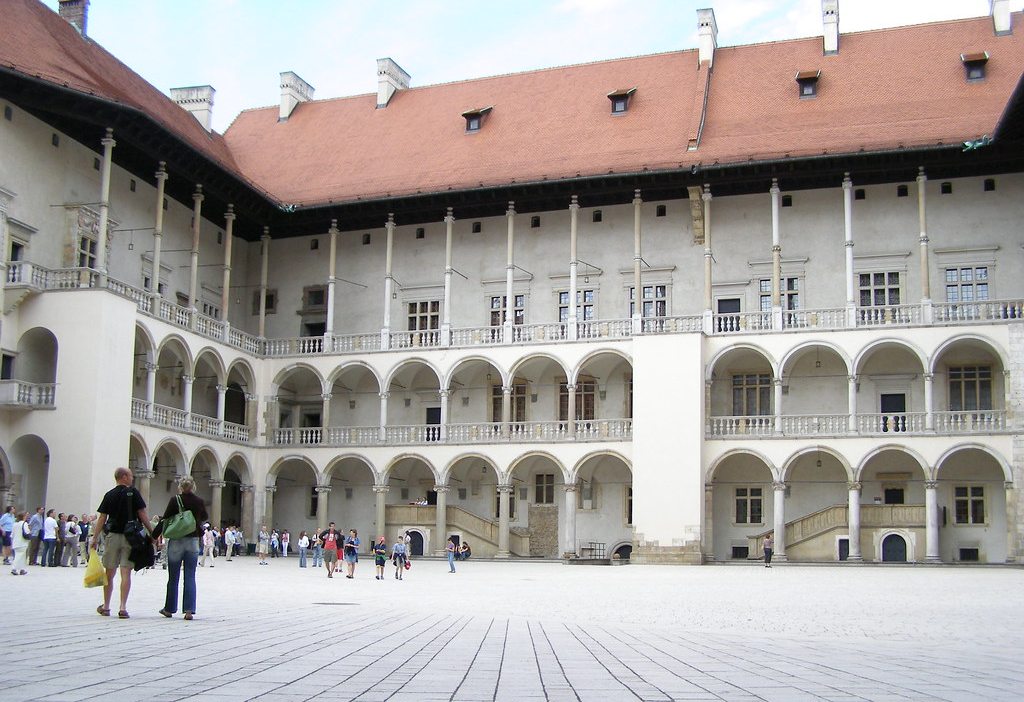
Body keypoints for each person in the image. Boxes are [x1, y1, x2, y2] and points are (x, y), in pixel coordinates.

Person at [90, 467, 153, 619]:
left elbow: (102, 518)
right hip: (130, 538)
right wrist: (152, 532)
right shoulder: (134, 493)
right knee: (126, 573)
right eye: (130, 476)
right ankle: (123, 607)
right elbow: (142, 514)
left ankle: (106, 606)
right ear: (124, 477)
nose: (132, 478)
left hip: (113, 536)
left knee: (109, 572)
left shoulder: (109, 495)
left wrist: (95, 537)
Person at [158, 477, 208, 620]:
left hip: (176, 540)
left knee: (173, 577)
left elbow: (165, 519)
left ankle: (169, 609)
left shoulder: (175, 500)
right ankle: (189, 610)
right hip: (192, 540)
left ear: (180, 487)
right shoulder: (199, 501)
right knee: (190, 575)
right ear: (193, 486)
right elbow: (205, 516)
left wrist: (153, 535)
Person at [10, 511, 29, 575]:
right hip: (22, 542)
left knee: (21, 556)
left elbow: (12, 535)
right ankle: (14, 568)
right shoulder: (24, 524)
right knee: (20, 556)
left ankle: (22, 569)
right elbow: (27, 532)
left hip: (15, 542)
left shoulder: (15, 524)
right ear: (23, 517)